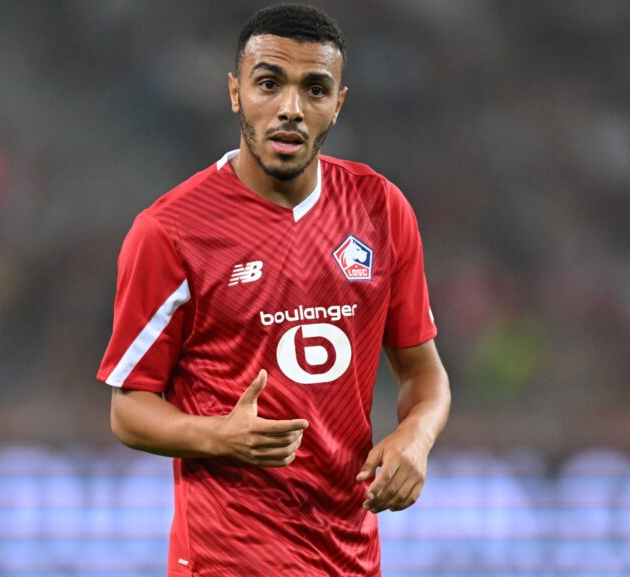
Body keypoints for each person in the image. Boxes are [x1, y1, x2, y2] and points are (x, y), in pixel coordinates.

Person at [95, 4, 451, 576]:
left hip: (350, 557)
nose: (290, 109)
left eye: (314, 89)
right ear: (236, 92)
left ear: (338, 102)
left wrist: (416, 436)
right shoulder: (171, 231)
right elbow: (128, 409)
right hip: (226, 558)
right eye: (269, 83)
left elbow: (423, 374)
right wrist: (218, 436)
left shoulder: (380, 207)